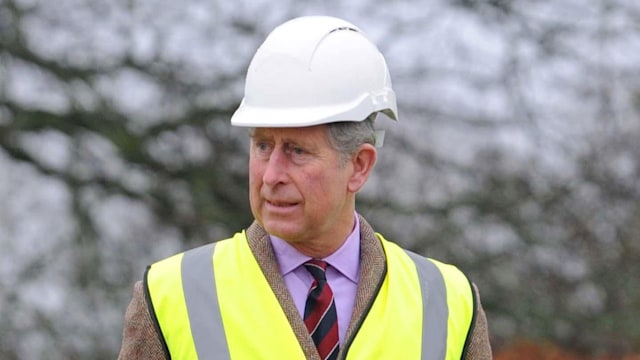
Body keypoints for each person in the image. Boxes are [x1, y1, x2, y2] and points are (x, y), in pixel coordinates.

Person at [117, 15, 492, 360]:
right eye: (263, 145)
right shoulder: (168, 298)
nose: (270, 175)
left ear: (359, 166)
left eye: (296, 151)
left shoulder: (450, 304)